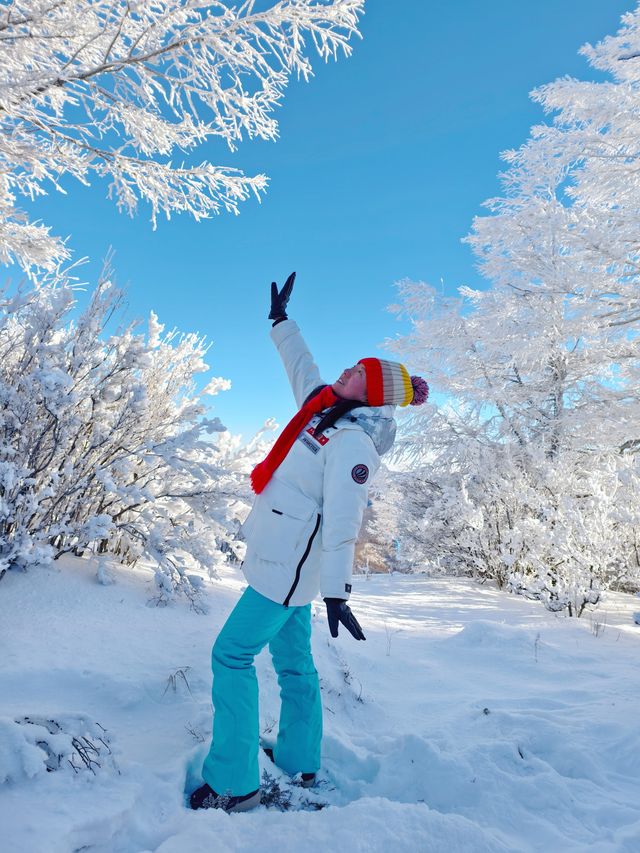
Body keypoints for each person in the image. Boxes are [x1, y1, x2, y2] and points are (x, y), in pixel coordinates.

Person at [189, 273, 428, 813]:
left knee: (230, 656)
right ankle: (299, 760)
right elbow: (303, 366)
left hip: (288, 571)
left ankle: (233, 783)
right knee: (294, 663)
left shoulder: (352, 442)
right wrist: (281, 322)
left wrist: (338, 590)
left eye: (356, 373)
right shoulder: (324, 409)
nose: (345, 371)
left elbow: (347, 518)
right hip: (285, 561)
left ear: (366, 392)